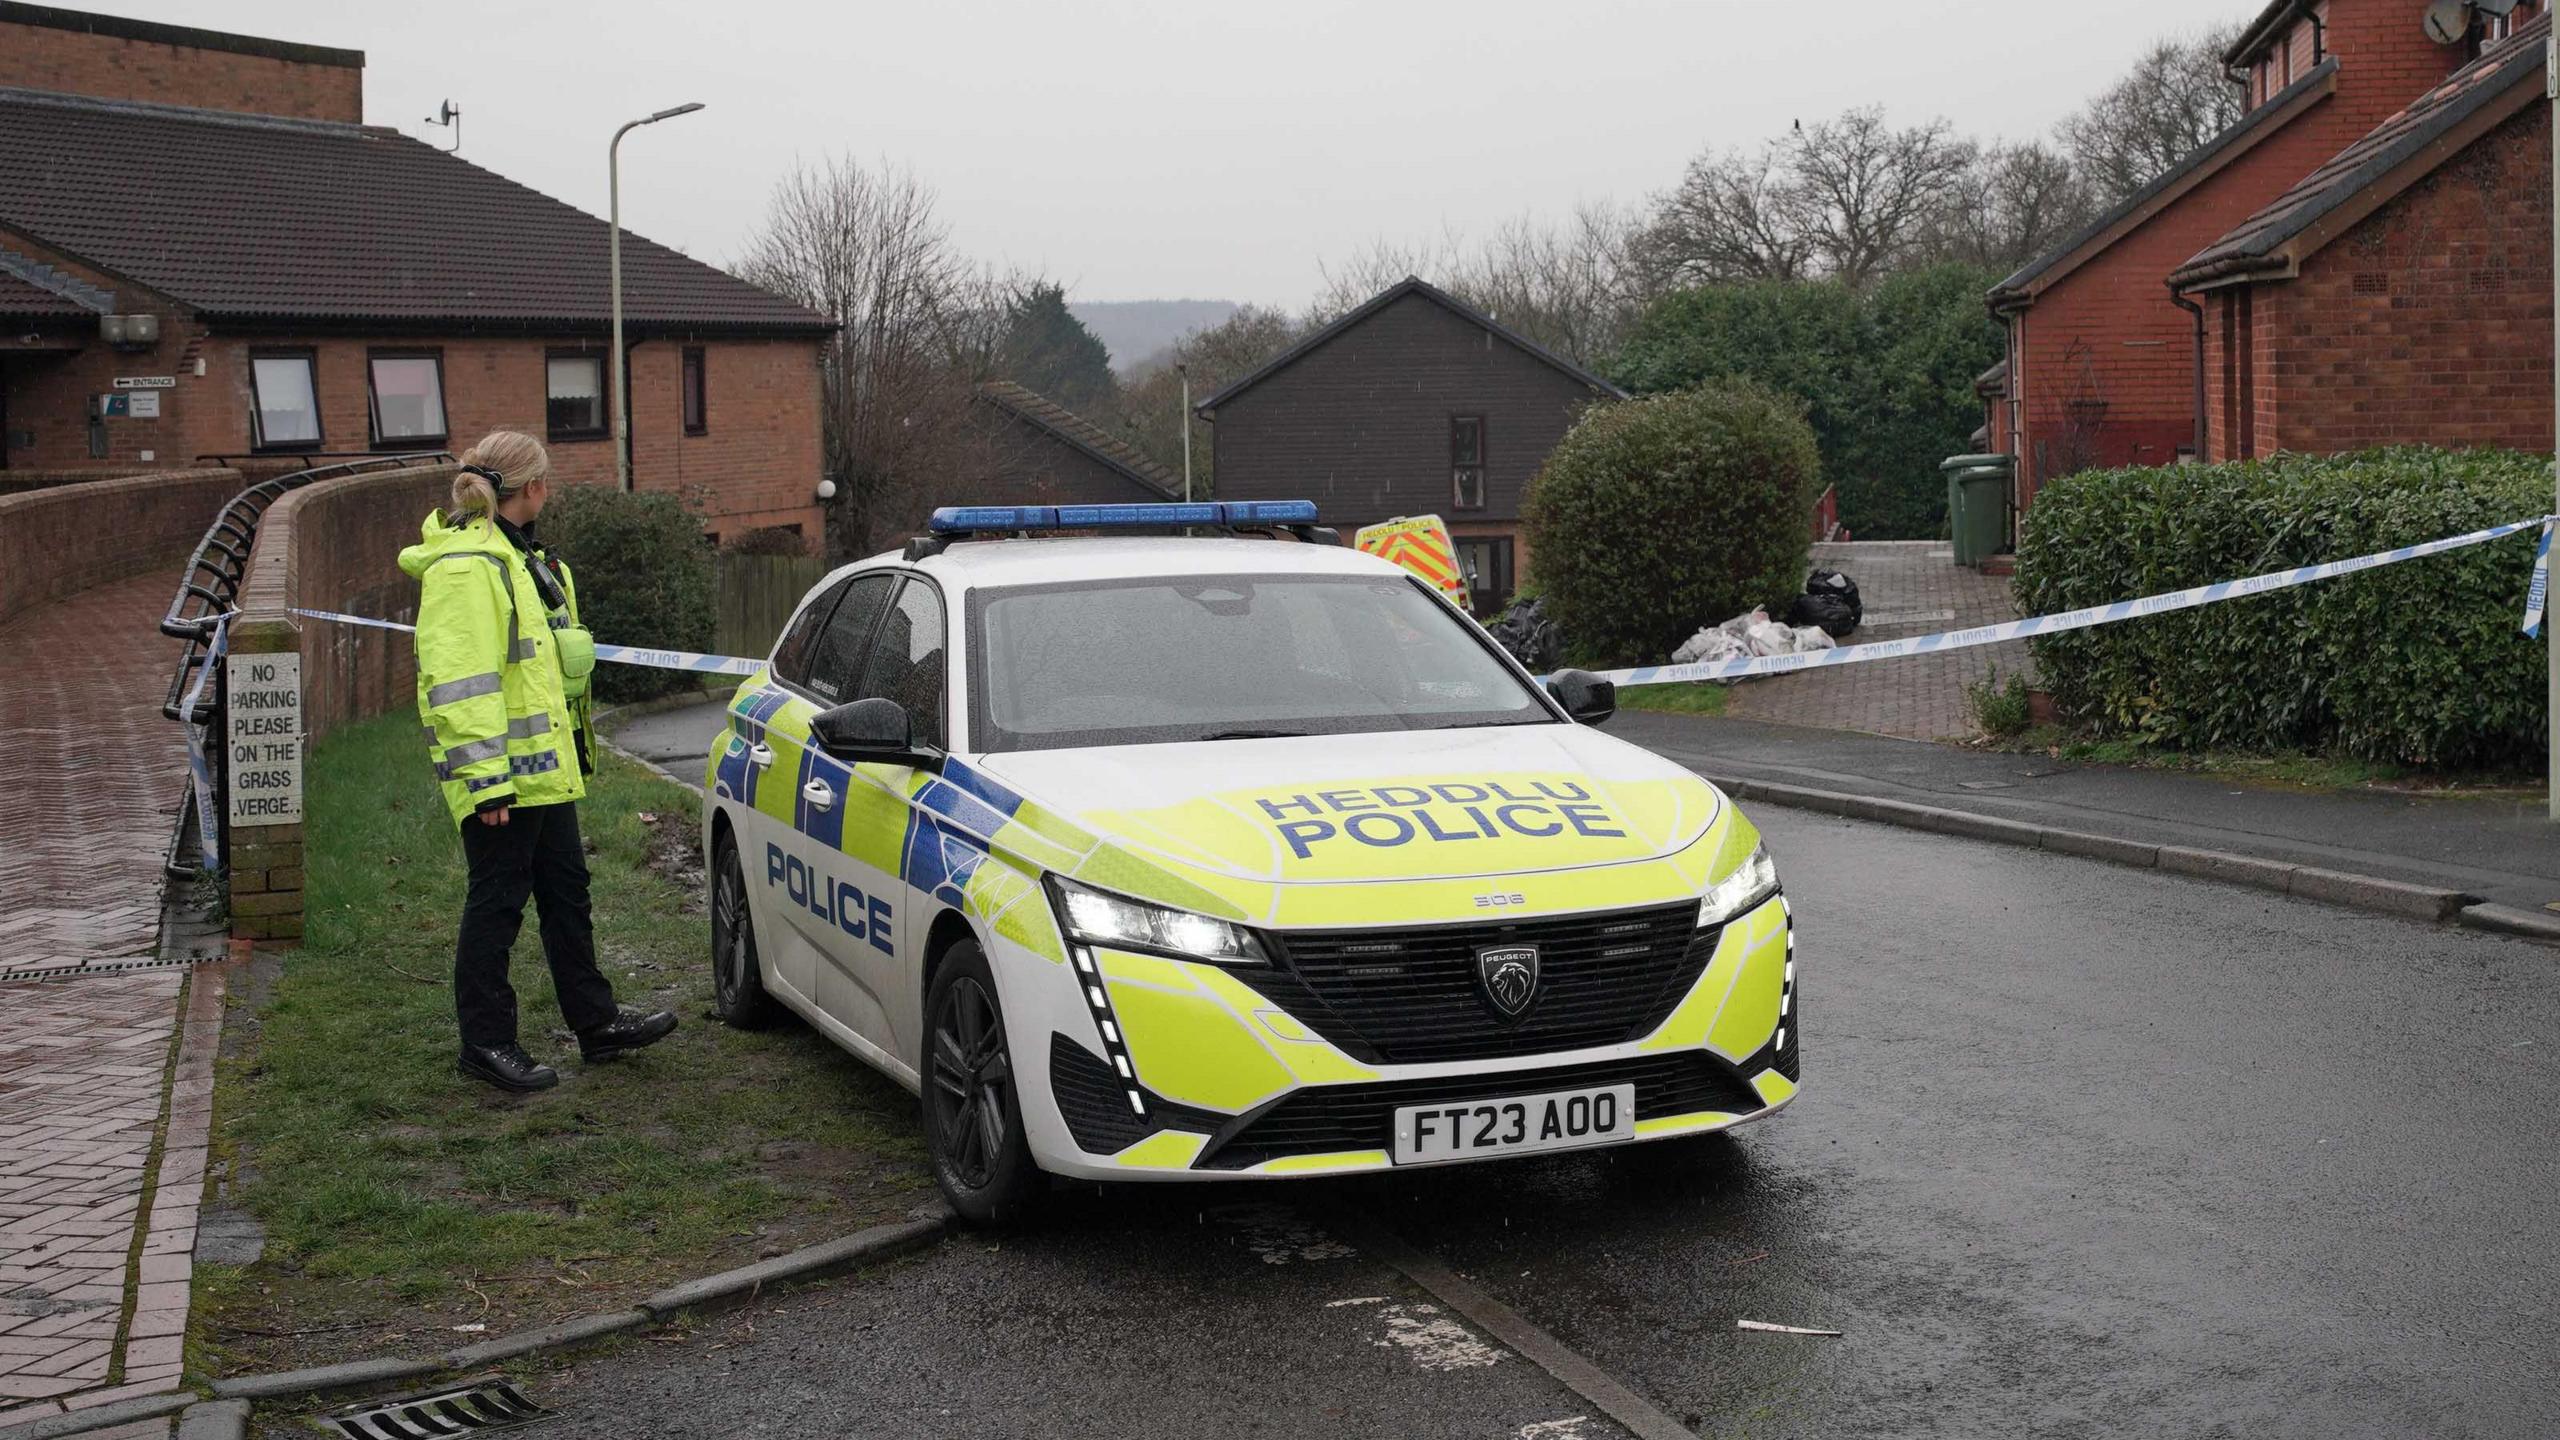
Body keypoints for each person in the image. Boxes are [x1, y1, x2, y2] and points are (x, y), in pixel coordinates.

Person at [399, 431, 676, 1093]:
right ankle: (486, 1043)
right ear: (534, 488)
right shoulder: (471, 565)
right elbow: (460, 682)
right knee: (496, 904)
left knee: (565, 893)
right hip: (503, 778)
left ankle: (597, 1024)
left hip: (542, 772)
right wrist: (486, 779)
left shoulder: (520, 557)